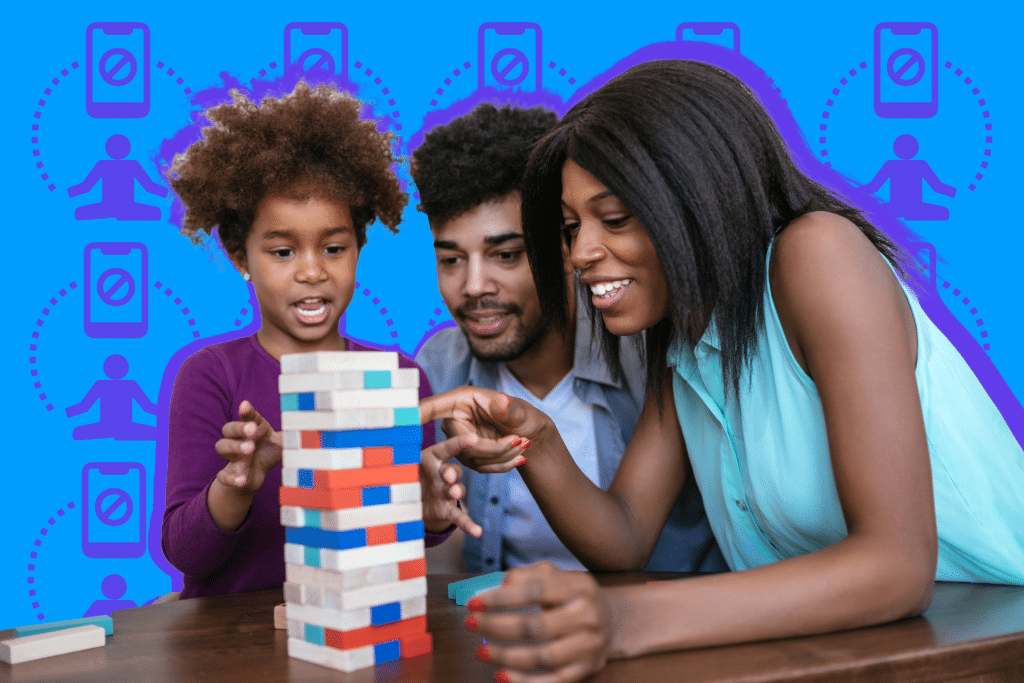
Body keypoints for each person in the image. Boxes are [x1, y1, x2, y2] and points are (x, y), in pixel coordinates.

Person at [421, 60, 1024, 682]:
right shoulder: (679, 329)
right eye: (572, 229)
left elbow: (896, 566)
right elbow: (625, 535)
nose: (580, 254)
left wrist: (624, 619)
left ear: (694, 196)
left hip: (990, 637)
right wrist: (536, 438)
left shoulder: (819, 254)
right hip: (861, 649)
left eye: (616, 219)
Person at [160, 83, 473, 599]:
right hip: (234, 646)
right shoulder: (211, 376)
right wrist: (236, 482)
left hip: (357, 634)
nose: (311, 271)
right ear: (242, 259)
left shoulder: (399, 377)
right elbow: (186, 553)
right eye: (283, 252)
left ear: (358, 249)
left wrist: (430, 510)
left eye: (333, 247)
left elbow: (401, 542)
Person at [411, 103, 724, 574]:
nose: (474, 286)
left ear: (566, 246)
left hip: (660, 626)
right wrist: (423, 514)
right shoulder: (437, 367)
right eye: (452, 260)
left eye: (507, 255)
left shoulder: (656, 353)